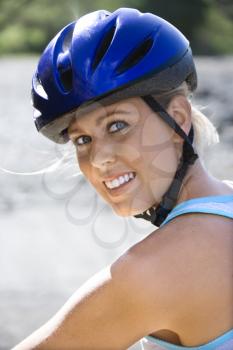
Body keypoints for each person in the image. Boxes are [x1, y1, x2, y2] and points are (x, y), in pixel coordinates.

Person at [13, 7, 233, 350]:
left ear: (178, 119)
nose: (99, 159)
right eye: (82, 140)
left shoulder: (153, 271)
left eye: (117, 125)